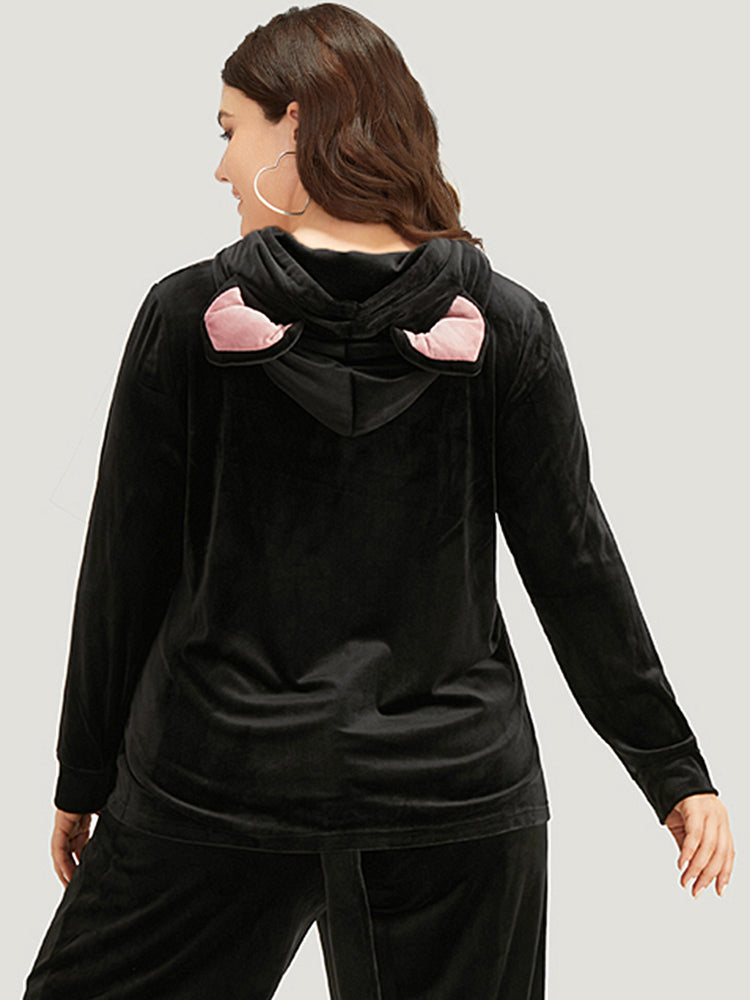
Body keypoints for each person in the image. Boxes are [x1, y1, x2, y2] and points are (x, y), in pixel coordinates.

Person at [22, 4, 734, 999]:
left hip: (212, 785)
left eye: (230, 130)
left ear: (297, 124)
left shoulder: (185, 318)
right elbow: (574, 564)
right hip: (452, 794)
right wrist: (673, 770)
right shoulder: (507, 325)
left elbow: (121, 568)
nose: (221, 167)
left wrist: (84, 771)